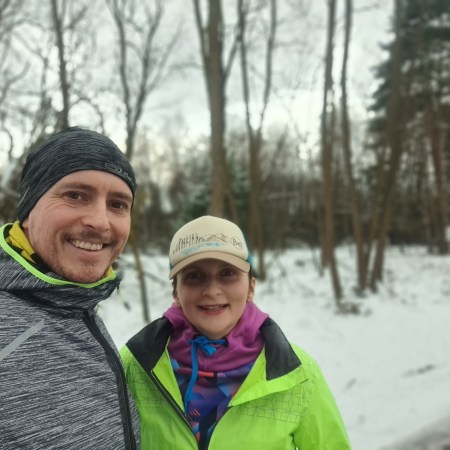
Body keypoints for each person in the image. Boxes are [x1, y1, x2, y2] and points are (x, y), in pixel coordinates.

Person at [121, 215, 351, 449]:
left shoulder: (297, 374)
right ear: (176, 292)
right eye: (194, 276)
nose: (212, 290)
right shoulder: (134, 366)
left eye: (228, 273)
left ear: (251, 287)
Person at [0, 127, 140, 449]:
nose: (101, 222)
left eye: (118, 204)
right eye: (75, 196)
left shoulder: (76, 306)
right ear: (28, 210)